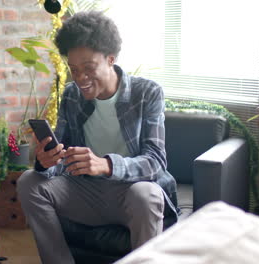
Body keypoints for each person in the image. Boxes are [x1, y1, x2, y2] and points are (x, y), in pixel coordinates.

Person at [16, 11, 178, 264]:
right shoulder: (72, 96)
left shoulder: (147, 93)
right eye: (74, 69)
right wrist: (45, 161)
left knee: (146, 195)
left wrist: (106, 164)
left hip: (131, 194)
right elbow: (59, 155)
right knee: (29, 181)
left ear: (110, 59)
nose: (80, 78)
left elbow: (156, 161)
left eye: (89, 68)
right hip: (87, 193)